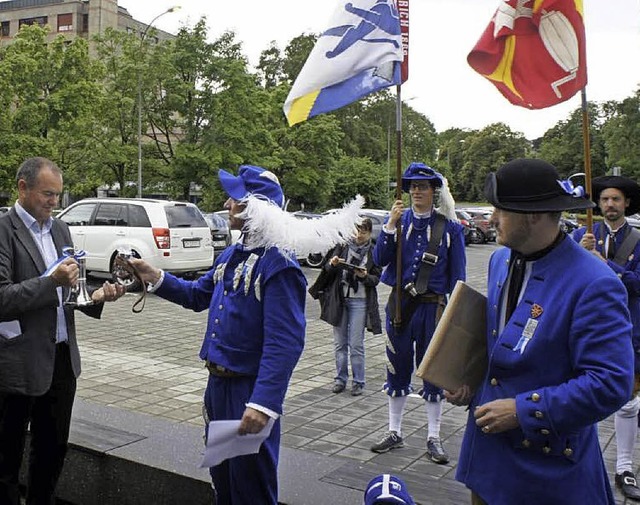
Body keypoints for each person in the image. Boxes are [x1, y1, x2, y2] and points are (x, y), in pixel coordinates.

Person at [449, 159, 635, 505]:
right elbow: (504, 345)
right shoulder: (499, 259)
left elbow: (611, 384)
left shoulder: (595, 283)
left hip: (546, 470)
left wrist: (521, 411)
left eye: (499, 210)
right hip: (488, 460)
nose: (490, 220)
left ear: (531, 214)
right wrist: (470, 382)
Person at [128, 165, 308, 505]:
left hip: (246, 393)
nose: (227, 203)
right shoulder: (233, 253)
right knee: (224, 482)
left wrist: (263, 403)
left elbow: (285, 343)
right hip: (220, 387)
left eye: (235, 198)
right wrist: (153, 275)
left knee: (250, 487)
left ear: (254, 208)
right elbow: (198, 294)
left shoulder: (278, 265)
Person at [0, 157, 125, 505]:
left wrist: (97, 296)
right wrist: (48, 282)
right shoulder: (3, 230)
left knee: (52, 451)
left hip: (61, 359)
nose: (55, 202)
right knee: (6, 460)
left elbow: (69, 293)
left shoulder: (59, 229)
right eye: (47, 194)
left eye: (58, 194)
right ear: (23, 188)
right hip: (17, 362)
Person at [370, 162, 466, 464]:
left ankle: (433, 436)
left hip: (433, 309)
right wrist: (389, 225)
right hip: (400, 306)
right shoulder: (399, 222)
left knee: (432, 373)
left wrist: (454, 315)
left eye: (422, 187)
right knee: (396, 367)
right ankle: (394, 431)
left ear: (433, 191)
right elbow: (379, 259)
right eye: (412, 187)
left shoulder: (449, 227)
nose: (416, 192)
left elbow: (458, 277)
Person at [573, 175, 640, 501]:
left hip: (628, 330)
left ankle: (624, 467)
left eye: (616, 199)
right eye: (604, 200)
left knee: (628, 402)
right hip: (586, 330)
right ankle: (585, 460)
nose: (609, 205)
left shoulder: (639, 241)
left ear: (626, 203)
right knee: (581, 395)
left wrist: (606, 265)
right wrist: (577, 252)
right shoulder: (582, 236)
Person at [308, 218, 382, 396]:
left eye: (363, 232)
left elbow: (376, 279)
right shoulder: (342, 246)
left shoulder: (373, 252)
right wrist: (332, 264)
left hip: (360, 301)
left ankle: (358, 381)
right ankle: (340, 379)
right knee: (339, 343)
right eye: (356, 231)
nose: (358, 235)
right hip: (340, 299)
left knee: (356, 344)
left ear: (369, 233)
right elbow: (326, 269)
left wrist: (364, 277)